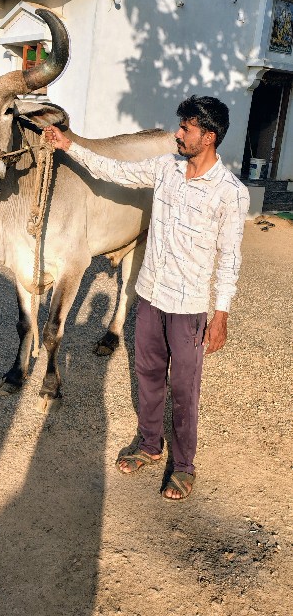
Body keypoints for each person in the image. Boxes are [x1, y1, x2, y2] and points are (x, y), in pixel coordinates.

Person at [44, 95, 250, 501]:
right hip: (151, 296)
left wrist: (221, 313)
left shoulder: (231, 193)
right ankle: (150, 445)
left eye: (186, 129)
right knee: (149, 377)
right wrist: (70, 146)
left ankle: (185, 465)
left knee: (185, 389)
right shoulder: (165, 168)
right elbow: (116, 171)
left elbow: (230, 257)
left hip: (188, 305)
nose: (177, 134)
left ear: (208, 137)